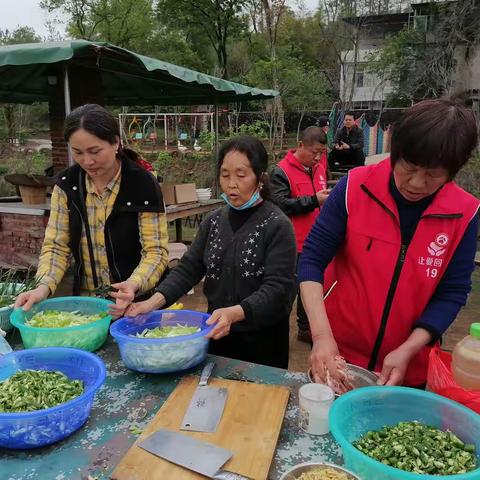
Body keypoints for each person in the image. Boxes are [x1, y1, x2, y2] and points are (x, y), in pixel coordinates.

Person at [299, 98, 479, 388]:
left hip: (408, 368)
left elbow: (453, 292)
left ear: (451, 171)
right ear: (396, 152)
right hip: (339, 358)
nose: (417, 184)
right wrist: (321, 336)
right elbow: (311, 259)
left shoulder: (465, 213)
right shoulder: (355, 187)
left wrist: (410, 348)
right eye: (409, 167)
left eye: (432, 175)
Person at [123, 136, 297, 369]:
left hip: (263, 342)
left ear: (260, 177)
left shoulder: (277, 225)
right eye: (225, 175)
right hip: (217, 335)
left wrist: (235, 313)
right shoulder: (213, 221)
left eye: (241, 175)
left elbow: (278, 289)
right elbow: (187, 270)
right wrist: (150, 304)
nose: (231, 184)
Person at [15, 104, 169, 316]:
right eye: (78, 152)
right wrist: (43, 287)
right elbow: (56, 246)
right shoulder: (67, 186)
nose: (87, 161)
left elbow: (156, 251)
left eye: (95, 151)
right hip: (86, 307)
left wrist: (134, 284)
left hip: (137, 305)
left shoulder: (142, 184)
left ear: (116, 143)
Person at [270, 126, 329, 343]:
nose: (318, 157)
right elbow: (280, 205)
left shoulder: (320, 167)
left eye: (321, 152)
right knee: (288, 291)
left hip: (316, 241)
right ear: (301, 145)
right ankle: (275, 333)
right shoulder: (281, 171)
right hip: (292, 244)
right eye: (314, 152)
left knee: (311, 287)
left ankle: (305, 329)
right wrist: (314, 200)